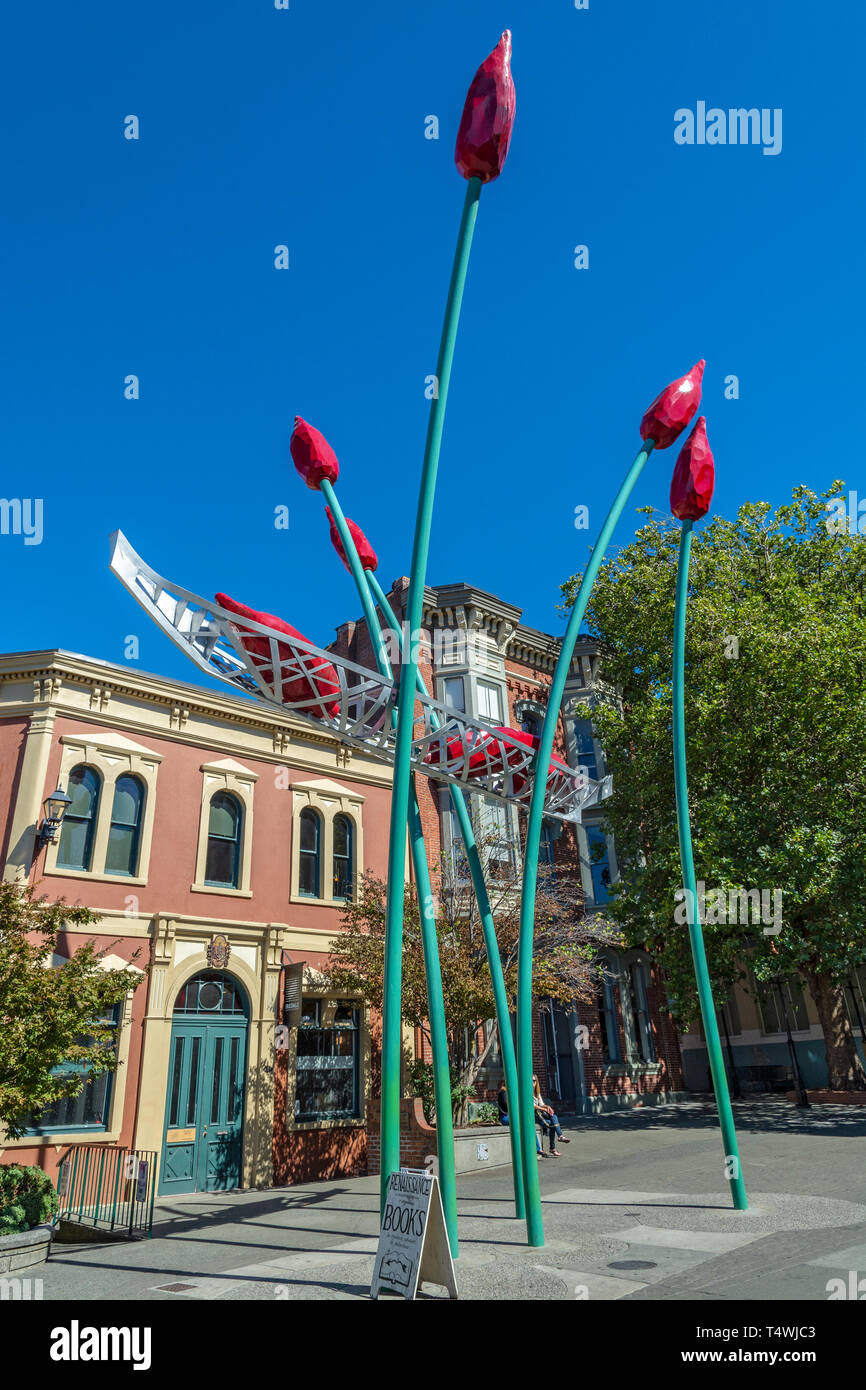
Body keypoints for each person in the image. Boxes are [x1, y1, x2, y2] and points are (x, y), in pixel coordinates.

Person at [497, 1082, 545, 1157]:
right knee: (524, 1123)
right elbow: (507, 1106)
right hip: (505, 1117)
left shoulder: (512, 1093)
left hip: (513, 1117)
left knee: (530, 1124)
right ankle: (535, 1148)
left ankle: (537, 1148)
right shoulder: (503, 1092)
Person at [532, 1074, 570, 1156]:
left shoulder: (537, 1093)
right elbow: (533, 1106)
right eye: (531, 1081)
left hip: (540, 1114)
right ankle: (553, 1147)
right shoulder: (527, 1093)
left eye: (534, 1081)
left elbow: (541, 1104)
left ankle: (560, 1137)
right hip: (534, 1115)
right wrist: (544, 1109)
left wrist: (548, 1107)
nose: (533, 1083)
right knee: (551, 1124)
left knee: (554, 1116)